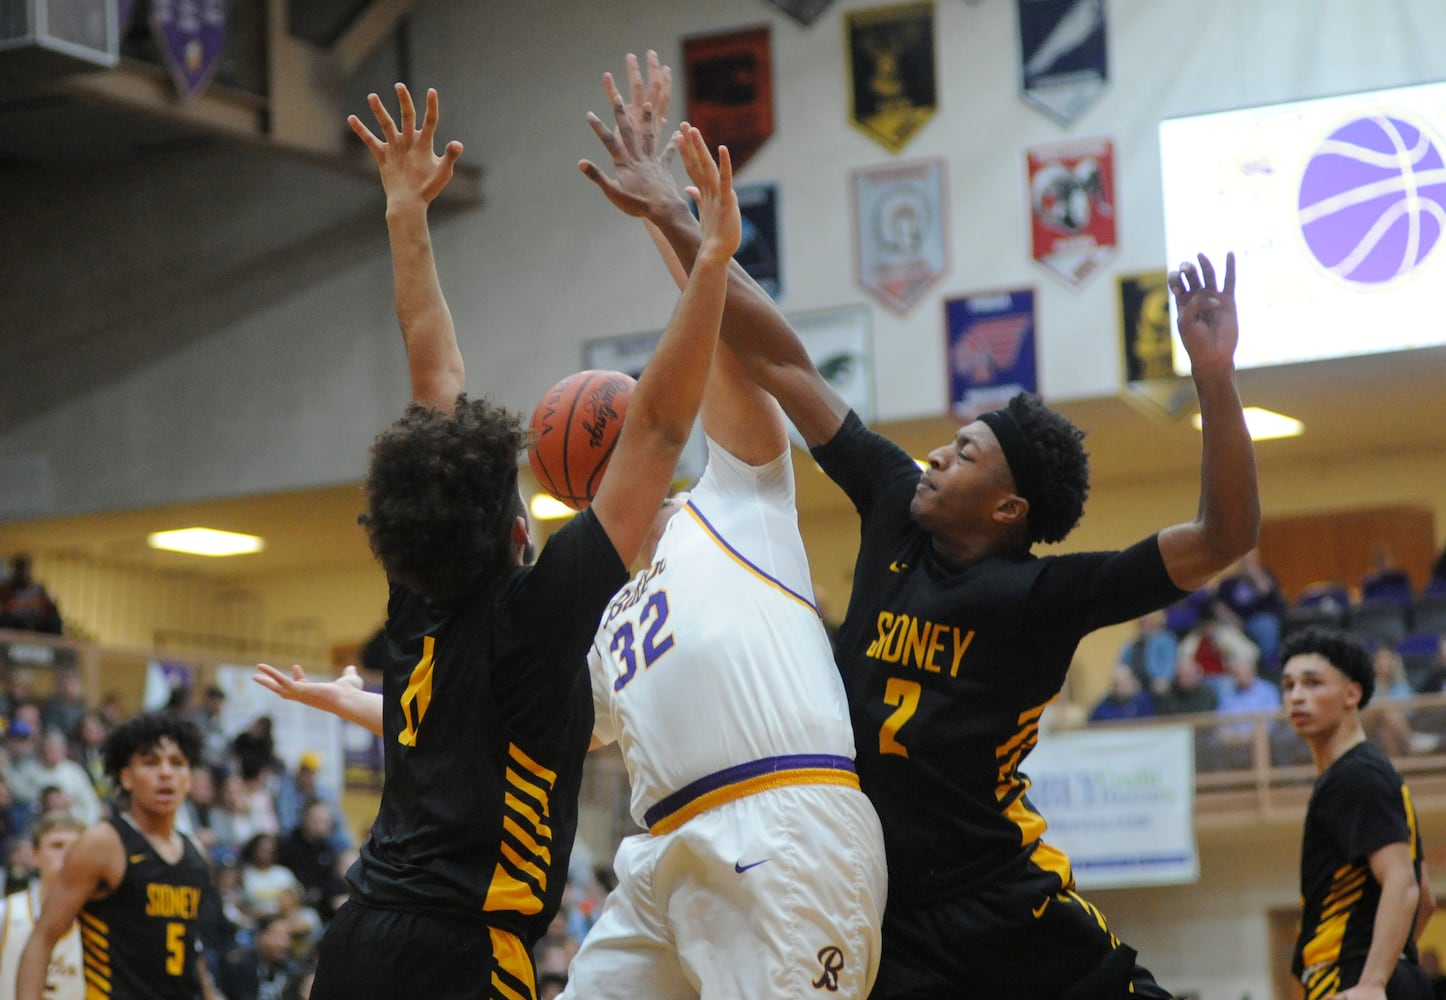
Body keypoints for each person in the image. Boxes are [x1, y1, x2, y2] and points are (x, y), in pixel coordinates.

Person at [582, 60, 1260, 997]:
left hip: (1002, 895)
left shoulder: (1040, 595)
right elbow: (784, 367)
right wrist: (674, 219)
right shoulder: (895, 505)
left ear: (1011, 508)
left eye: (968, 453)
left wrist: (1215, 380)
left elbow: (1221, 537)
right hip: (886, 900)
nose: (939, 455)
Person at [251, 81, 738, 1000]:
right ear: (520, 529)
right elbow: (660, 432)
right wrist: (706, 258)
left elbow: (434, 367)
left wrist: (404, 212)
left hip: (356, 942)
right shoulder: (536, 615)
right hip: (463, 956)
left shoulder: (417, 599)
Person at [1280, 627, 1436, 999]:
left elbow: (1403, 882)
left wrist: (1372, 980)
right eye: (1288, 686)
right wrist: (1388, 965)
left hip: (1348, 977)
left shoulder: (1355, 775)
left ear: (1352, 693)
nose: (1297, 696)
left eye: (1313, 683)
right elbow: (1426, 899)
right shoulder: (1370, 771)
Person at [16, 712, 214, 1000]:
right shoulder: (104, 843)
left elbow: (192, 954)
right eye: (150, 763)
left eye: (177, 763)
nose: (166, 773)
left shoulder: (194, 854)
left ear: (189, 778)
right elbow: (43, 938)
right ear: (126, 777)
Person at [0, 814, 87, 1000]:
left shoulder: (102, 920)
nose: (68, 854)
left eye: (77, 847)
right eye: (57, 846)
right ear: (35, 856)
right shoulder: (6, 913)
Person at [0, 555, 62, 635]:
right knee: (7, 620)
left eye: (25, 569)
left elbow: (48, 609)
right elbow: (4, 609)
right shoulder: (5, 590)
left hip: (35, 622)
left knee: (54, 621)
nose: (22, 573)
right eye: (19, 569)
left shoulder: (38, 589)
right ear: (13, 571)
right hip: (14, 622)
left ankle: (57, 645)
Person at [1087, 664, 1154, 723]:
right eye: (1116, 685)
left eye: (1123, 684)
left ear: (1133, 682)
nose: (1119, 689)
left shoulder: (1143, 702)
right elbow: (1091, 725)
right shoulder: (1104, 705)